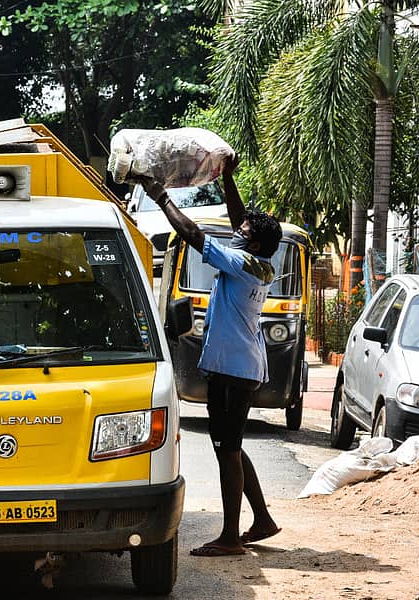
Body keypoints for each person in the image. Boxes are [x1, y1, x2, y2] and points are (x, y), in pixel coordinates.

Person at [139, 156, 283, 557]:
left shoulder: (240, 262)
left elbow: (191, 233)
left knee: (227, 450)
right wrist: (228, 179)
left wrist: (160, 197)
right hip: (243, 366)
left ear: (250, 242)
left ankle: (230, 537)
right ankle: (263, 518)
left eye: (244, 230)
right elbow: (242, 219)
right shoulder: (260, 260)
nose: (238, 227)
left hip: (233, 370)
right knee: (231, 446)